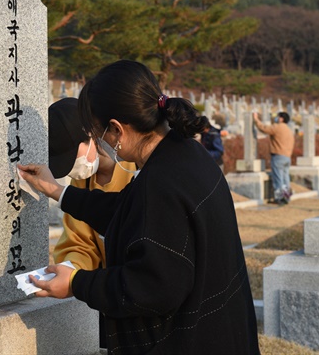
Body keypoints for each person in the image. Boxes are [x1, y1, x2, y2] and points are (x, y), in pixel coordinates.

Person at [18, 60, 259, 354]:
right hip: (222, 330)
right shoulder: (183, 153)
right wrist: (56, 191)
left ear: (117, 129)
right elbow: (128, 211)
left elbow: (152, 287)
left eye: (99, 132)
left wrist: (77, 283)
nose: (101, 142)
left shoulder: (160, 184)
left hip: (191, 339)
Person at [49, 97, 135, 271]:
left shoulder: (134, 169)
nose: (72, 167)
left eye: (73, 156)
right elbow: (78, 242)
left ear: (92, 134)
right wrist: (72, 270)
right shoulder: (82, 180)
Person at [253, 111, 295, 205]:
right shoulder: (289, 130)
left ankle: (279, 198)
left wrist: (256, 120)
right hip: (287, 156)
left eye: (278, 117)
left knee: (278, 178)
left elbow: (264, 129)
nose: (276, 118)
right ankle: (287, 196)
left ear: (281, 119)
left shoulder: (278, 127)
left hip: (278, 155)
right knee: (285, 178)